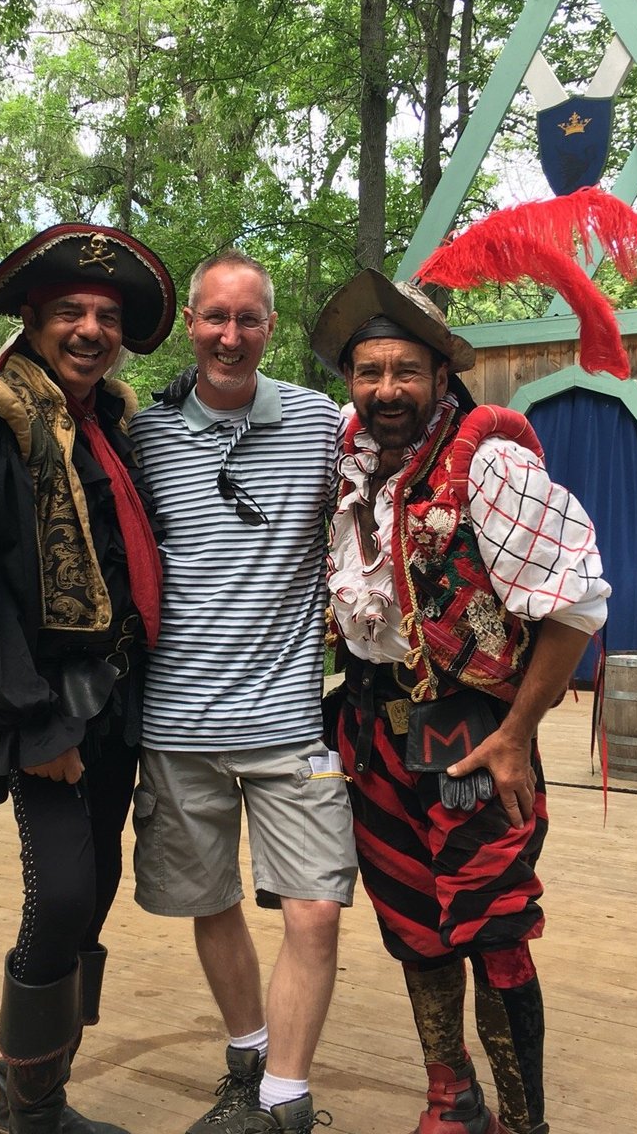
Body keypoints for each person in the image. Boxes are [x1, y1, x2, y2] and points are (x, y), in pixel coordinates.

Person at [310, 268, 611, 1134]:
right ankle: (454, 1096)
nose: (386, 390)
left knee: (494, 925)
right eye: (369, 373)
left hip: (473, 731)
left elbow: (576, 604)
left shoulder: (492, 460)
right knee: (413, 922)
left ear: (442, 376)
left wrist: (520, 735)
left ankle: (524, 1122)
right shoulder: (348, 453)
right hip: (370, 730)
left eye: (406, 371)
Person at [0, 224, 176, 1134]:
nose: (92, 328)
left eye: (106, 315)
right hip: (49, 707)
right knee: (61, 893)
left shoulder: (107, 426)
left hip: (118, 698)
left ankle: (37, 1093)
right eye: (71, 311)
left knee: (92, 887)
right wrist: (36, 726)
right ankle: (29, 1112)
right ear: (33, 319)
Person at [128, 249, 357, 1134]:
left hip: (289, 723)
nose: (230, 335)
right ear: (190, 323)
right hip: (176, 722)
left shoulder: (318, 425)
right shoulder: (145, 438)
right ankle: (249, 1055)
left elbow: (405, 462)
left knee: (317, 911)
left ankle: (284, 1104)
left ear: (270, 326)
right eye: (214, 317)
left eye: (248, 318)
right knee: (210, 901)